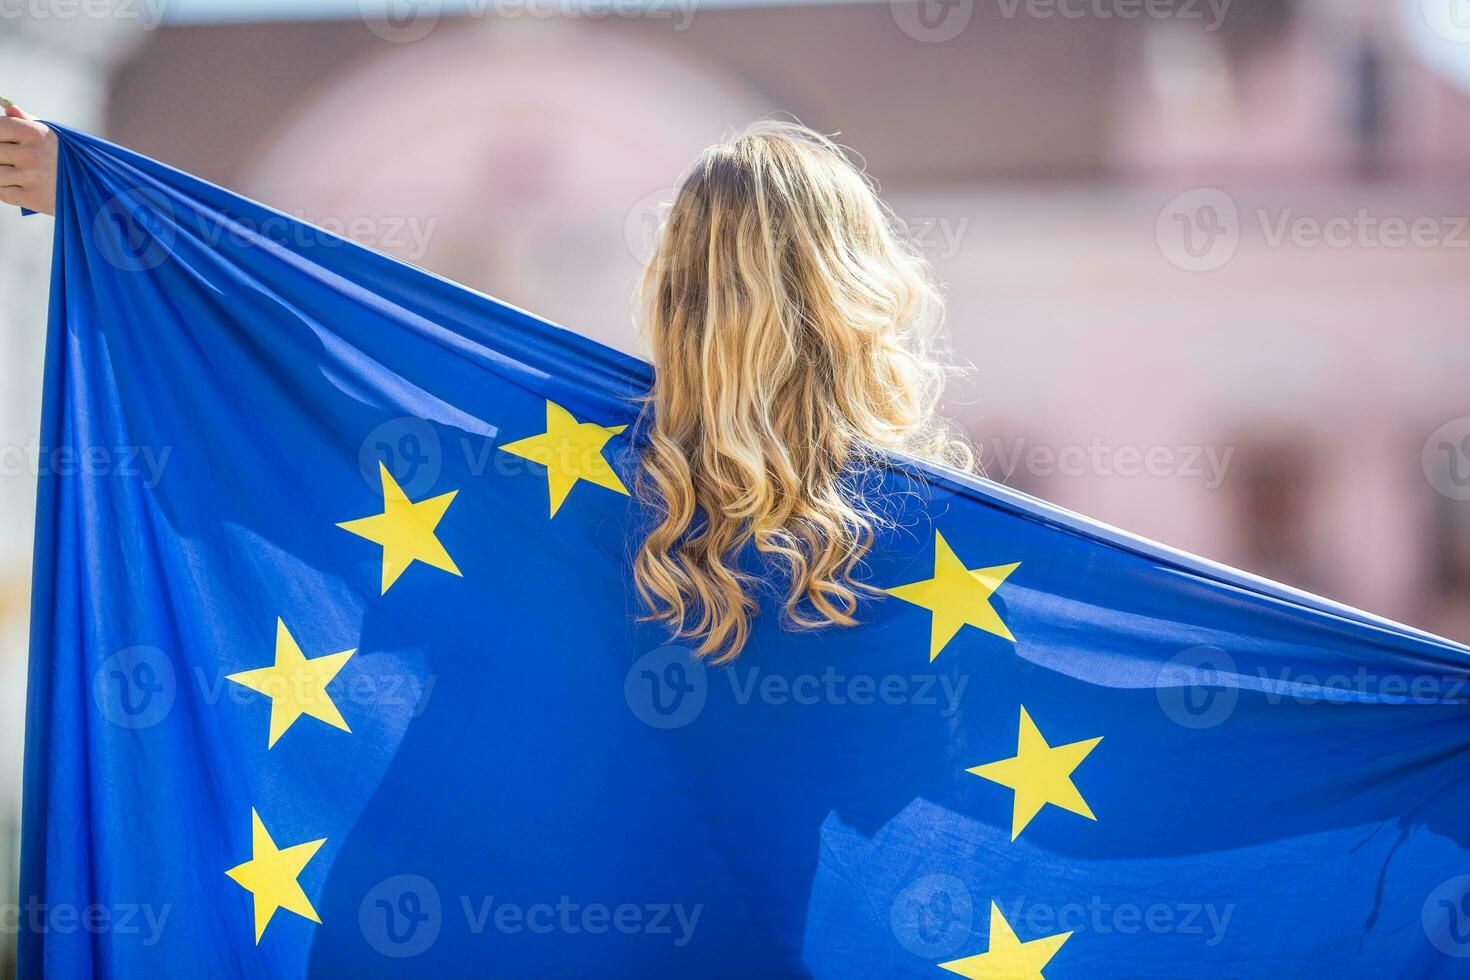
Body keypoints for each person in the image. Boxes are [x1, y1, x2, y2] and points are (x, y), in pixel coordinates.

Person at [0, 106, 971, 662]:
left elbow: (306, 353)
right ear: (860, 291)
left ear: (668, 288)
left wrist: (107, 209)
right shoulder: (925, 544)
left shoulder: (544, 453)